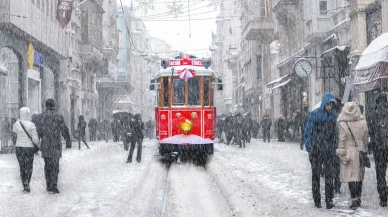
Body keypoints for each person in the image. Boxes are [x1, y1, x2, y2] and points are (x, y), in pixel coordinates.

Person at [304, 93, 338, 209]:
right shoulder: (315, 115)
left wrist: (334, 146)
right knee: (316, 175)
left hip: (328, 150)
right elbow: (308, 132)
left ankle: (329, 199)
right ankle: (317, 199)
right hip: (317, 150)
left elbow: (334, 134)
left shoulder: (333, 116)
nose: (330, 107)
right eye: (328, 104)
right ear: (324, 104)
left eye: (331, 105)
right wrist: (310, 148)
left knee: (329, 175)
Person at [336, 102, 368, 210]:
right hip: (360, 151)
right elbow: (365, 138)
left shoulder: (343, 123)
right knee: (359, 177)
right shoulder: (363, 122)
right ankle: (358, 198)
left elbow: (342, 140)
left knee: (351, 177)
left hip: (349, 152)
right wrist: (364, 148)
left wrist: (341, 153)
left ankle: (354, 199)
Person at [37, 99, 72, 194]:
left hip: (45, 145)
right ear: (54, 105)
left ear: (46, 105)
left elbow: (38, 132)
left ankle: (49, 184)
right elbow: (64, 129)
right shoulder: (58, 116)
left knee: (47, 164)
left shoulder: (41, 117)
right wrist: (68, 141)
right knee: (55, 165)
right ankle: (54, 184)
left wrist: (37, 143)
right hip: (55, 144)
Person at [367, 93, 388, 207]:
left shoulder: (372, 115)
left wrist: (370, 145)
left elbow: (369, 132)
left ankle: (383, 197)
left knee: (380, 174)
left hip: (378, 148)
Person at [12, 107, 40, 193]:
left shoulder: (16, 124)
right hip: (29, 148)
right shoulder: (32, 125)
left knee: (22, 166)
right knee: (29, 165)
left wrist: (16, 144)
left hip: (19, 148)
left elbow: (14, 137)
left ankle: (24, 183)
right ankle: (27, 180)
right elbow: (35, 139)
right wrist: (39, 146)